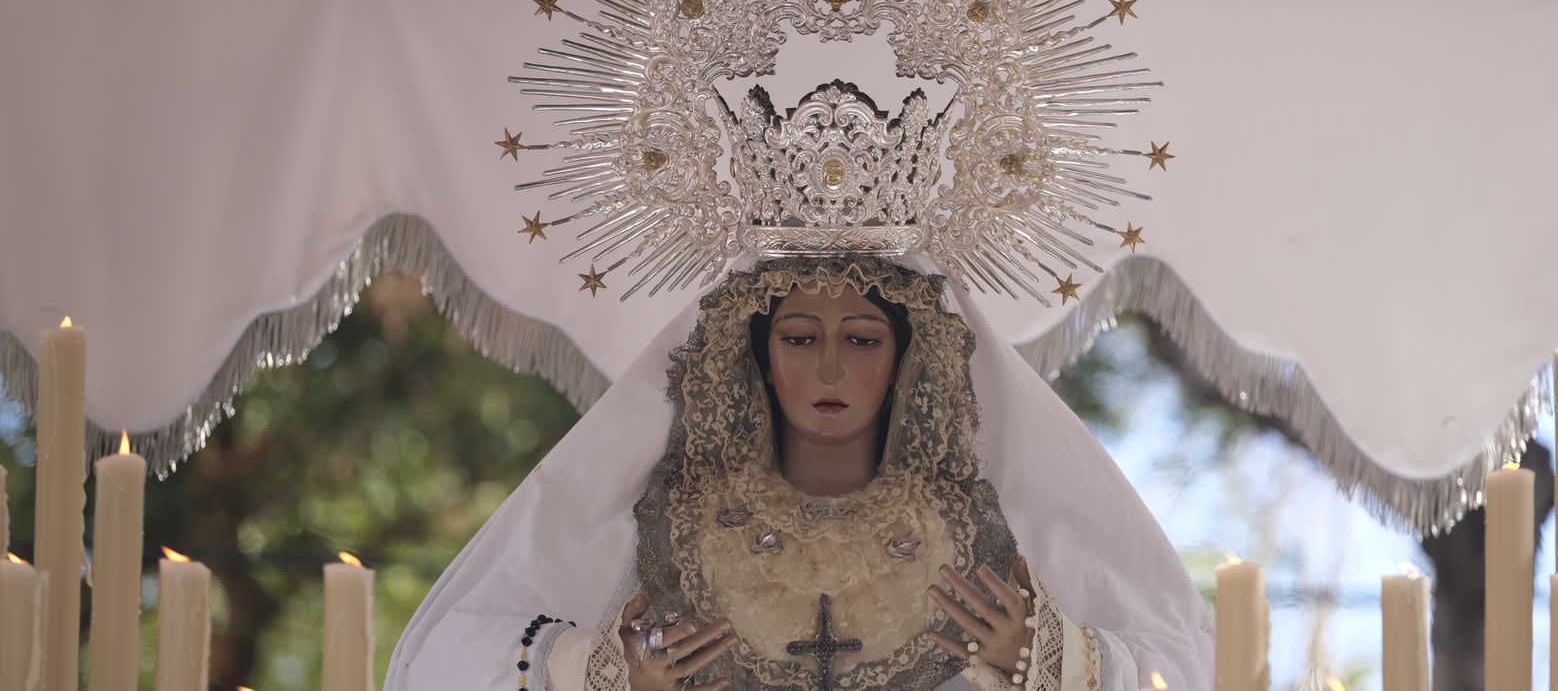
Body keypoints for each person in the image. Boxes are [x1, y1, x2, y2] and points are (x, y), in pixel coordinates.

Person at [387, 256, 1215, 691]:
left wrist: (1041, 655)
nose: (827, 368)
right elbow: (437, 663)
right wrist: (605, 674)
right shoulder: (676, 526)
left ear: (903, 360)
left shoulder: (978, 534)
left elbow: (1187, 665)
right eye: (796, 336)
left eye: (860, 339)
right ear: (756, 355)